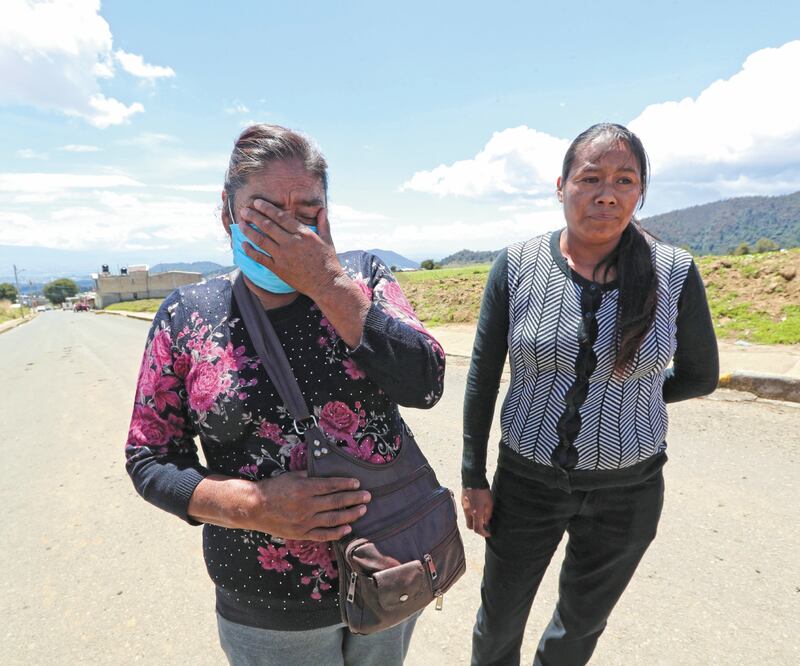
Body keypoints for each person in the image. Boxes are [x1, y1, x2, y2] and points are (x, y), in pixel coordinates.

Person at [125, 124, 445, 665]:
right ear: (226, 212)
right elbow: (149, 458)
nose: (287, 228)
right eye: (264, 210)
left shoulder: (362, 278)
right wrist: (253, 505)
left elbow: (426, 382)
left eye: (306, 210)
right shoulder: (187, 314)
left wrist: (327, 285)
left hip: (390, 567)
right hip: (266, 605)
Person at [460, 122, 719, 665]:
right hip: (525, 486)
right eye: (591, 178)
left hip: (628, 494)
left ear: (641, 191)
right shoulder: (518, 266)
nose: (607, 193)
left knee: (579, 628)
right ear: (561, 187)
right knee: (498, 622)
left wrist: (634, 393)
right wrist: (473, 478)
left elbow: (700, 374)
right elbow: (483, 377)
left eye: (625, 180)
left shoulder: (673, 272)